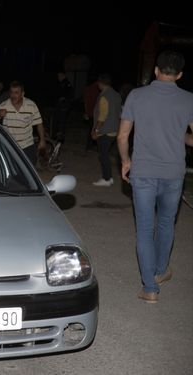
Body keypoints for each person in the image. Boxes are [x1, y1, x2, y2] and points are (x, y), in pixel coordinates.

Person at [117, 50, 193, 303]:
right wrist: (180, 137)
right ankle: (161, 271)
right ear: (180, 74)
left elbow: (122, 136)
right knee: (166, 224)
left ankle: (149, 287)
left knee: (145, 229)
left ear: (156, 71)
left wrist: (126, 162)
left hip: (144, 173)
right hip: (173, 173)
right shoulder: (188, 99)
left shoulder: (137, 96)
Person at [0, 81, 46, 166]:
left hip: (27, 145)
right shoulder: (4, 105)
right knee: (12, 171)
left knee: (29, 170)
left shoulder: (31, 105)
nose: (13, 96)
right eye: (11, 92)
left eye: (16, 93)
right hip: (9, 145)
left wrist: (42, 140)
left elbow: (39, 123)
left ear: (22, 94)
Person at [91, 74, 121, 187]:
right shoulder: (116, 94)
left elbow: (102, 116)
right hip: (115, 128)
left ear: (101, 83)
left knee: (103, 155)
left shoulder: (104, 96)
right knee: (105, 154)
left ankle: (106, 178)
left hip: (105, 130)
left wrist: (96, 130)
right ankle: (109, 178)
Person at [53, 71, 74, 142]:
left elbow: (70, 95)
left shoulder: (67, 84)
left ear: (64, 75)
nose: (58, 77)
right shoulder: (60, 83)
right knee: (57, 121)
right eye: (58, 76)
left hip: (63, 106)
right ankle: (56, 136)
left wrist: (64, 99)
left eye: (60, 75)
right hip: (58, 106)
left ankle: (60, 138)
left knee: (62, 122)